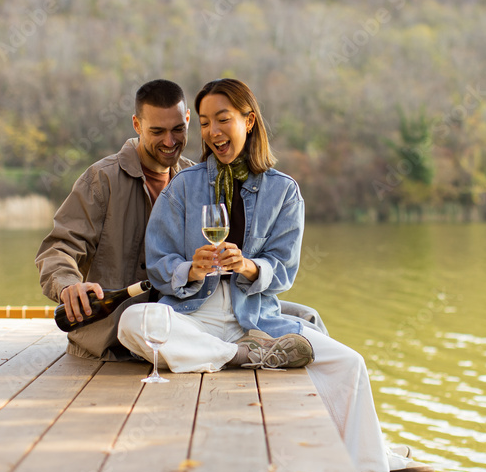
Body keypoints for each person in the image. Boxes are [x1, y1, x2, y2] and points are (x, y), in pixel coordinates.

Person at [116, 78, 433, 472]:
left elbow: (284, 269)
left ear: (249, 121)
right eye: (205, 122)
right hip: (194, 315)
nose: (212, 132)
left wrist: (248, 266)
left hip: (256, 318)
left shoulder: (283, 191)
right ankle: (238, 356)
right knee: (134, 321)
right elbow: (158, 263)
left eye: (222, 119)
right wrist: (190, 269)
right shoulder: (184, 187)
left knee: (350, 363)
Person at [36, 79, 325, 361]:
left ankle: (245, 349)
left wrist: (239, 267)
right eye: (157, 131)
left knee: (308, 317)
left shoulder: (195, 179)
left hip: (188, 313)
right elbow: (59, 247)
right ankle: (239, 354)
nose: (169, 141)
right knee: (134, 321)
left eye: (177, 129)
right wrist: (68, 285)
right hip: (118, 331)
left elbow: (268, 268)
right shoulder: (102, 179)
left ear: (188, 120)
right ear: (137, 125)